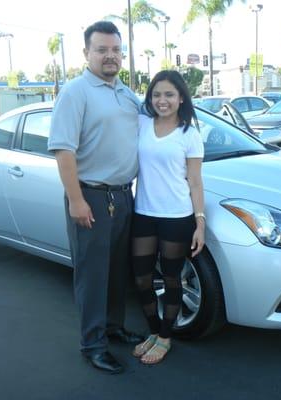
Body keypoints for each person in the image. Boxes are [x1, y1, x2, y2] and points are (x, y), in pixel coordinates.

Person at [48, 20, 143, 375]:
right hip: (91, 197)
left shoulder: (125, 92)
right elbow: (63, 151)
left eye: (116, 50)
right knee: (92, 275)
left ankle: (114, 328)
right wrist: (76, 199)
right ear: (86, 52)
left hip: (123, 196)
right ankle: (93, 344)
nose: (110, 56)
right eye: (101, 49)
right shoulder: (76, 92)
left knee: (117, 271)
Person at [130, 70, 205, 365]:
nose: (162, 100)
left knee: (172, 278)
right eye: (157, 94)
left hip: (177, 215)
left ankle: (165, 336)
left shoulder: (190, 134)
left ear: (181, 97)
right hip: (144, 212)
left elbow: (195, 181)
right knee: (142, 277)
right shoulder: (142, 124)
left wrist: (200, 222)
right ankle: (152, 330)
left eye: (169, 94)